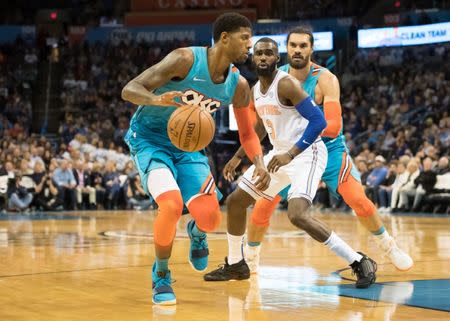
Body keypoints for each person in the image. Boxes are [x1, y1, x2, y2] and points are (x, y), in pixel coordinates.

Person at [221, 27, 413, 274]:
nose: (298, 50)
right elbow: (261, 126)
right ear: (285, 50)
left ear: (311, 49)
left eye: (303, 46)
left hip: (325, 149)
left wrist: (297, 140)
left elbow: (332, 126)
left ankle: (387, 245)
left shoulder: (325, 79)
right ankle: (250, 257)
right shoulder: (271, 80)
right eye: (293, 45)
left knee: (357, 200)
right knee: (261, 207)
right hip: (288, 151)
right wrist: (243, 155)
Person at [121, 13, 269, 305]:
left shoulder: (238, 86)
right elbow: (129, 89)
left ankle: (197, 232)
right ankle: (161, 274)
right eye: (244, 38)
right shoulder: (184, 59)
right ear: (224, 38)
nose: (249, 46)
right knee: (172, 205)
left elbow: (248, 134)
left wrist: (260, 163)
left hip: (189, 148)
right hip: (150, 140)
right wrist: (155, 99)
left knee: (211, 217)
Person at [204, 38, 377, 288]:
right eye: (259, 53)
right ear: (253, 58)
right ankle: (236, 264)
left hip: (308, 153)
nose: (263, 57)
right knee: (236, 202)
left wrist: (291, 154)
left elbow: (319, 122)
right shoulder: (255, 90)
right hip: (280, 154)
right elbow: (260, 127)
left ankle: (359, 261)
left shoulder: (286, 84)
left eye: (269, 54)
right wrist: (238, 156)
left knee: (297, 215)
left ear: (277, 59)